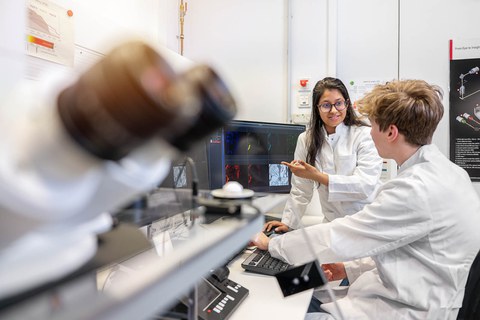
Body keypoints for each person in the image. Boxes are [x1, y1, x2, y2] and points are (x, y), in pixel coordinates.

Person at [252, 79, 480, 319]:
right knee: (289, 288)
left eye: (373, 124)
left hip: (401, 304)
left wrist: (272, 245)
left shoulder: (415, 189)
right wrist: (348, 268)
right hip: (366, 261)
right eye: (326, 105)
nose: (370, 131)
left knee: (272, 311)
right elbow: (408, 251)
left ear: (391, 132)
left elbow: (345, 232)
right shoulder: (448, 172)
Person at [265, 77, 383, 233]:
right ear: (317, 108)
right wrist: (289, 222)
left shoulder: (365, 135)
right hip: (332, 224)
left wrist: (317, 176)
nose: (334, 110)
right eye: (326, 105)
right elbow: (301, 189)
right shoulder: (306, 140)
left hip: (366, 223)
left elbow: (364, 185)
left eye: (339, 103)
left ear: (346, 104)